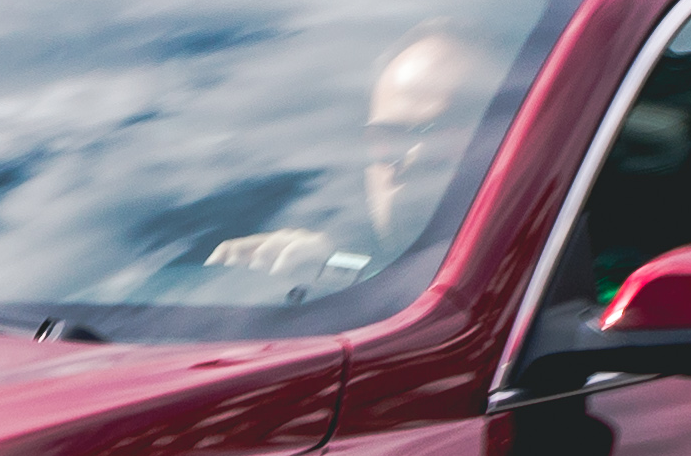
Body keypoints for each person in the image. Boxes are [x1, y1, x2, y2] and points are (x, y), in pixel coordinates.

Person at [206, 22, 504, 286]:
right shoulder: (321, 261)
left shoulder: (531, 291)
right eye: (388, 138)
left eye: (447, 139)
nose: (411, 159)